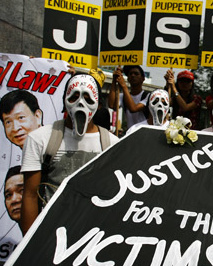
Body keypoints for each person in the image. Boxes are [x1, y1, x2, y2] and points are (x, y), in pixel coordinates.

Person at [20, 72, 119, 234]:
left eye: (88, 98)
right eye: (74, 97)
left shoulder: (112, 143)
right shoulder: (40, 138)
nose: (81, 103)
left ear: (98, 104)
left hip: (91, 236)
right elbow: (30, 195)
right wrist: (30, 245)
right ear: (64, 100)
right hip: (50, 233)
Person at [108, 65, 150, 130]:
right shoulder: (123, 96)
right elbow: (111, 105)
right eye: (130, 74)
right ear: (128, 78)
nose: (133, 75)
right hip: (129, 134)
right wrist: (114, 81)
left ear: (143, 78)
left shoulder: (148, 96)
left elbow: (133, 108)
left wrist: (124, 86)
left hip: (143, 134)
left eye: (136, 74)